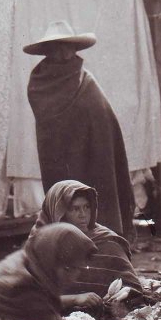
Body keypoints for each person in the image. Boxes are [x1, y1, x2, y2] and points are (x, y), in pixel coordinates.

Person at [25, 20, 134, 239]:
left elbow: (103, 121)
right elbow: (47, 118)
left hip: (92, 155)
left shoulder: (86, 82)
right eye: (56, 47)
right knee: (64, 201)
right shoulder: (39, 82)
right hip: (57, 155)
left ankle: (101, 242)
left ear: (75, 49)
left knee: (91, 200)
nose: (63, 53)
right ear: (47, 51)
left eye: (67, 46)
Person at [30, 180, 143, 313]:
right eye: (75, 209)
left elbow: (132, 286)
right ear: (59, 213)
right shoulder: (41, 243)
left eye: (87, 207)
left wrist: (123, 295)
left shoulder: (107, 241)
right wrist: (75, 299)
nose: (83, 215)